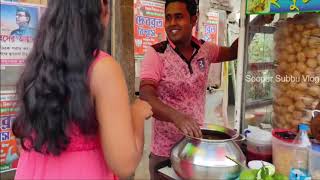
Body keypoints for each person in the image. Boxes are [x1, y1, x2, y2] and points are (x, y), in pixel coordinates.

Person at [12, 0, 152, 179]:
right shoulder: (103, 68)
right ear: (100, 8)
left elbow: (19, 143)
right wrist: (137, 115)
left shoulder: (37, 65)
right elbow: (124, 165)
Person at [139, 0, 274, 179]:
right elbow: (146, 96)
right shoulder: (156, 53)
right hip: (164, 152)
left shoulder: (205, 50)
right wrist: (177, 116)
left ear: (194, 19)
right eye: (168, 18)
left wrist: (255, 24)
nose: (172, 23)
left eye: (178, 17)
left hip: (197, 149)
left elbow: (234, 52)